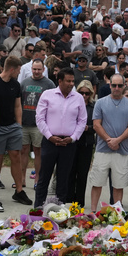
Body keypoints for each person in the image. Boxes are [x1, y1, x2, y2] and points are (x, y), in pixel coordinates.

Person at [34, 68, 88, 207]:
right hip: (50, 142)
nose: (71, 84)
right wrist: (50, 136)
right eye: (68, 81)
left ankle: (60, 210)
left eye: (72, 81)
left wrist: (73, 137)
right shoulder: (47, 95)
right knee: (44, 177)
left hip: (69, 144)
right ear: (60, 81)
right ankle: (39, 208)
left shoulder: (78, 98)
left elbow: (82, 121)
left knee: (64, 179)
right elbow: (40, 118)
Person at [87, 73, 128, 211]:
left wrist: (118, 140)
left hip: (121, 150)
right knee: (97, 182)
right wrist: (109, 140)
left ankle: (117, 213)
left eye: (119, 85)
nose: (116, 88)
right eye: (113, 85)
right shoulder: (100, 102)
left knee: (118, 185)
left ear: (124, 86)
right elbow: (96, 124)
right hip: (103, 149)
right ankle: (92, 211)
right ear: (109, 85)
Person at [0, 56, 32, 205]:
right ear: (12, 69)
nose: (19, 73)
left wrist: (18, 125)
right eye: (18, 70)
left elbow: (18, 106)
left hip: (13, 127)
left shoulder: (15, 85)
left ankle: (19, 191)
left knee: (16, 156)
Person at [19, 59, 55, 188]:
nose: (36, 72)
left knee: (38, 151)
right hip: (24, 123)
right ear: (31, 69)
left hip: (39, 125)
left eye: (39, 69)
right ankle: (21, 178)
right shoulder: (24, 82)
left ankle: (37, 180)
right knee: (23, 151)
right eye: (34, 69)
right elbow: (19, 102)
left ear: (43, 70)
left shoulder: (49, 84)